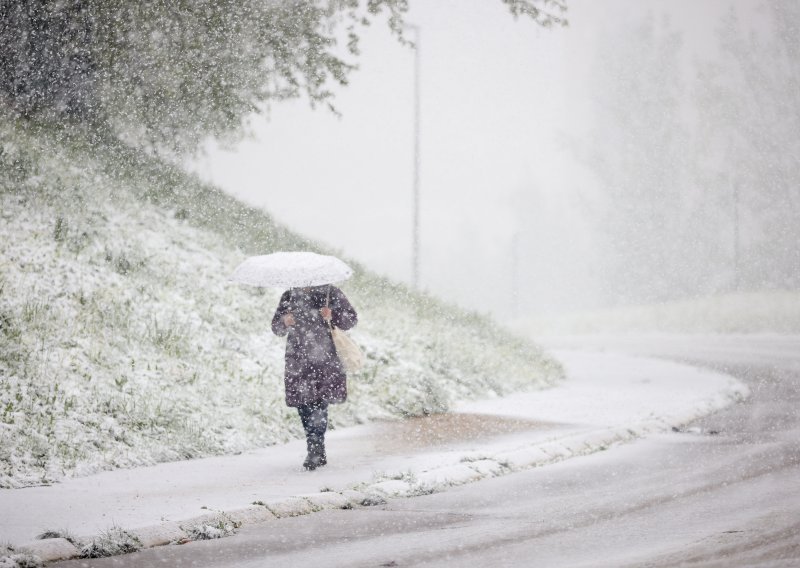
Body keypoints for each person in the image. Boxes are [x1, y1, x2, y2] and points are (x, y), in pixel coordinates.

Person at [271, 284, 358, 470]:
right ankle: (316, 447)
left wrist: (332, 315)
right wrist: (284, 321)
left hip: (325, 359)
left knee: (319, 403)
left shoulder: (330, 293)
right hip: (298, 360)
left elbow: (351, 319)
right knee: (303, 405)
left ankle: (315, 449)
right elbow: (276, 328)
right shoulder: (289, 295)